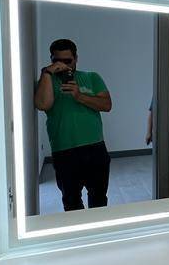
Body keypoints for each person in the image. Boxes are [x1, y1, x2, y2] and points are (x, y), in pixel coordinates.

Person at [34, 38, 113, 211]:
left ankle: (98, 228)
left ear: (76, 58)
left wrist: (79, 96)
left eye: (68, 61)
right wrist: (46, 73)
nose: (63, 65)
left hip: (95, 149)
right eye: (57, 61)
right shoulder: (47, 81)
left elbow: (107, 105)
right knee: (71, 202)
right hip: (64, 151)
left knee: (99, 199)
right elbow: (42, 104)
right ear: (51, 60)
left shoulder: (91, 77)